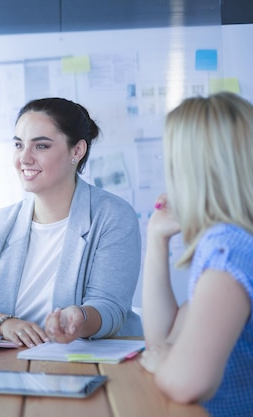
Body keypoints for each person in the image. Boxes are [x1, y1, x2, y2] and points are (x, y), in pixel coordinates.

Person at [0, 97, 142, 347]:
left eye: (41, 146)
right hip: (13, 362)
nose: (24, 158)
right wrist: (7, 324)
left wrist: (80, 319)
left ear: (77, 151)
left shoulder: (113, 216)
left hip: (89, 362)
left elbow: (111, 309)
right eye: (19, 145)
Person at [139, 92, 253, 416]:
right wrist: (156, 239)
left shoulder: (227, 250)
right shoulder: (229, 242)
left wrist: (165, 364)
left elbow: (186, 380)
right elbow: (164, 337)